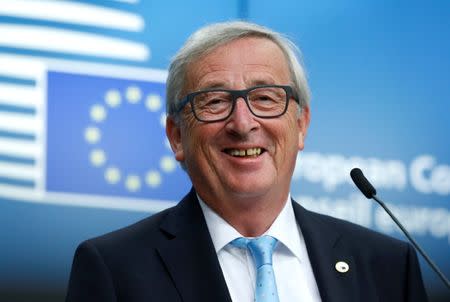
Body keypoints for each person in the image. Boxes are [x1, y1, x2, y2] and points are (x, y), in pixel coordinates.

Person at [65, 21, 428, 302]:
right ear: (177, 136)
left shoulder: (388, 267)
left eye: (266, 98)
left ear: (301, 125)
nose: (243, 123)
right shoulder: (114, 269)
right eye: (214, 101)